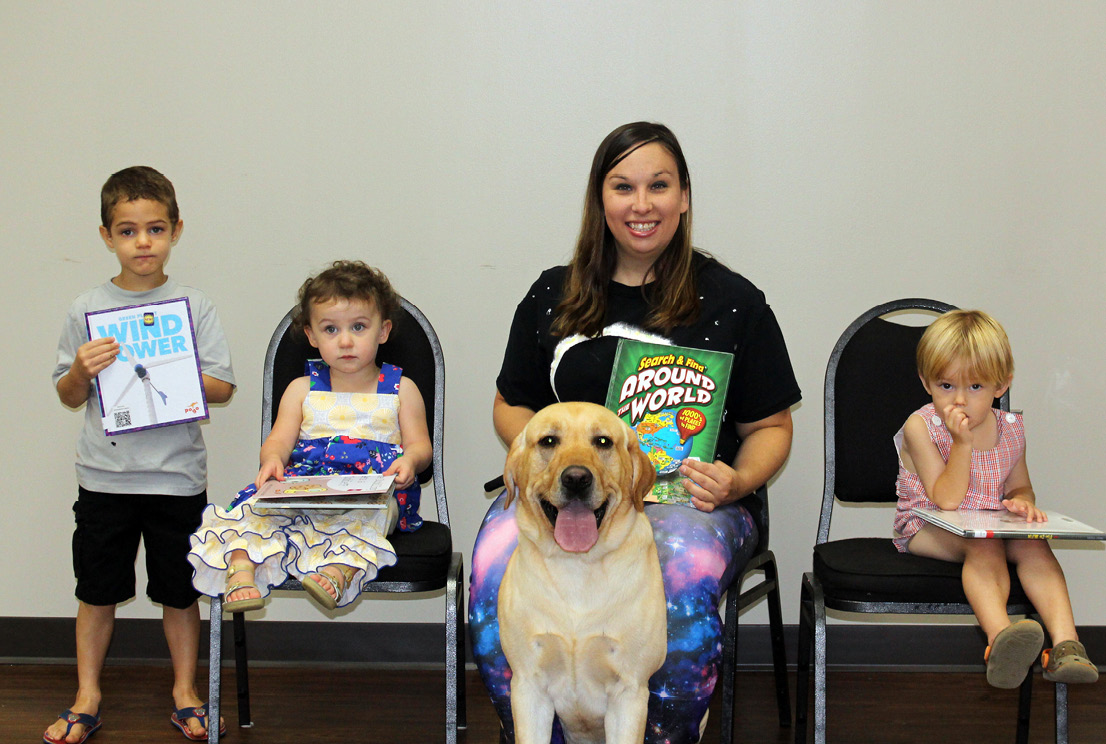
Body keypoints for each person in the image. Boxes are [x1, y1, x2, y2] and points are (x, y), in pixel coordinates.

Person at [469, 122, 802, 743]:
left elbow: (772, 427)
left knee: (675, 580)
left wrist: (739, 480)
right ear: (601, 200)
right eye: (623, 187)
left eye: (659, 186)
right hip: (556, 494)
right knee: (491, 572)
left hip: (696, 502)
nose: (641, 204)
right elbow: (511, 406)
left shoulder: (732, 301)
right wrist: (532, 459)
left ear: (684, 198)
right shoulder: (554, 294)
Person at [48, 166, 236, 744]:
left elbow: (224, 388)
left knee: (180, 593)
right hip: (104, 478)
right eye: (127, 231)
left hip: (177, 479)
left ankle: (185, 692)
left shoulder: (194, 305)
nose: (143, 242)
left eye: (155, 229)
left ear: (176, 230)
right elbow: (67, 392)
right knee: (96, 591)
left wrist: (178, 373)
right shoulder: (87, 307)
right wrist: (80, 369)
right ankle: (87, 696)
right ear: (106, 236)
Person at [188, 260, 431, 613]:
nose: (345, 341)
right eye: (330, 330)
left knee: (369, 520)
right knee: (251, 510)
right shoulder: (301, 389)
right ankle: (242, 569)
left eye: (359, 327)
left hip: (373, 491)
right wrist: (272, 459)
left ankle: (339, 571)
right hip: (306, 486)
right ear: (312, 336)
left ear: (383, 330)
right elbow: (278, 442)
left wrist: (410, 461)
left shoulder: (401, 390)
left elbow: (421, 446)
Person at [894, 309, 1098, 688]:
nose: (959, 400)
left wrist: (1022, 501)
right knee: (985, 548)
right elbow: (947, 499)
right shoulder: (921, 427)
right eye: (945, 386)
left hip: (988, 525)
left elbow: (1020, 485)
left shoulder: (1010, 430)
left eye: (974, 387)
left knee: (1036, 546)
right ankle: (1002, 639)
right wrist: (962, 444)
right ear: (926, 383)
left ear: (1000, 386)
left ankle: (1067, 645)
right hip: (927, 525)